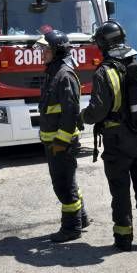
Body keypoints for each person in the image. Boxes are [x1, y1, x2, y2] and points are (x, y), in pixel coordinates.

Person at [80, 20, 137, 251]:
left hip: (117, 140)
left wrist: (81, 116)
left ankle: (124, 239)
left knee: (120, 190)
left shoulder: (104, 72)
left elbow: (97, 111)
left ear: (104, 44)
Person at [36, 30, 90, 243]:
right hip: (54, 140)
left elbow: (70, 112)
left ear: (57, 51)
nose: (43, 54)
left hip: (61, 141)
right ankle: (82, 218)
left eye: (46, 50)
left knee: (63, 185)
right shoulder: (54, 71)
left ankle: (71, 228)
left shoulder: (64, 74)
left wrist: (61, 140)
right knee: (68, 181)